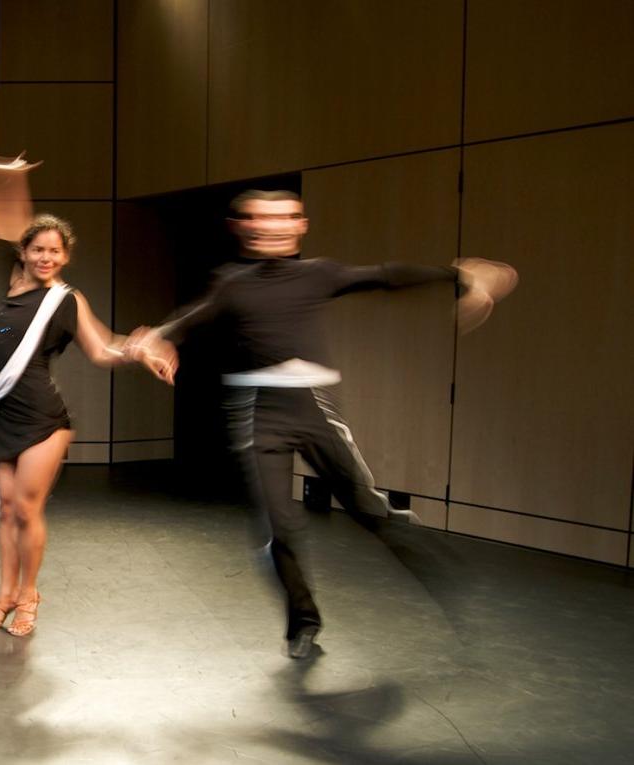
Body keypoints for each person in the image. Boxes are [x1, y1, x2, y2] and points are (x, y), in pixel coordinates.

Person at [127, 189, 517, 658]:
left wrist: (460, 276)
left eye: (285, 218)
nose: (272, 226)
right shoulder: (231, 282)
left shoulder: (319, 274)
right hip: (257, 412)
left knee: (367, 510)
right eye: (260, 218)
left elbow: (385, 277)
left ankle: (447, 581)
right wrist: (158, 339)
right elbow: (191, 317)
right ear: (242, 226)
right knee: (279, 528)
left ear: (301, 226)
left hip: (311, 406)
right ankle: (303, 622)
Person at [0, 153, 175, 637]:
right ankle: (5, 594)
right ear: (24, 254)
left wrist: (137, 352)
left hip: (44, 417)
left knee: (27, 510)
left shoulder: (66, 300)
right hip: (3, 413)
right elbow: (5, 225)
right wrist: (3, 180)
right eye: (38, 250)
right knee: (5, 511)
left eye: (56, 251)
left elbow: (101, 349)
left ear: (65, 257)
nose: (46, 257)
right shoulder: (11, 284)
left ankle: (29, 596)